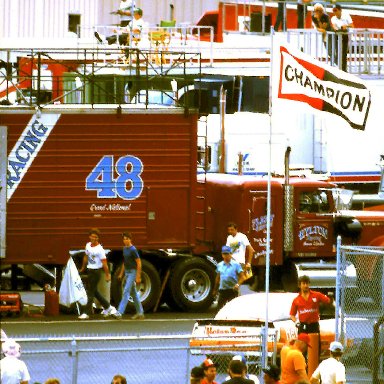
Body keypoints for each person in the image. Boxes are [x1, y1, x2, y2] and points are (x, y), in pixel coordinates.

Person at [78, 228, 119, 320]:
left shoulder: (100, 249)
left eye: (96, 237)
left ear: (98, 238)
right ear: (89, 237)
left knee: (91, 292)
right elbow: (85, 257)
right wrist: (82, 268)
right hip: (90, 270)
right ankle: (109, 307)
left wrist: (108, 274)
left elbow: (104, 263)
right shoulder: (88, 245)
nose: (94, 238)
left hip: (97, 271)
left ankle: (86, 312)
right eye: (92, 236)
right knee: (94, 292)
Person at [115, 231, 145, 320]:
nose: (125, 241)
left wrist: (138, 275)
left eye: (127, 239)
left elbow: (139, 262)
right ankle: (140, 313)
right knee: (134, 293)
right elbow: (125, 262)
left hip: (133, 272)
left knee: (126, 291)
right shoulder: (124, 249)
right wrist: (121, 273)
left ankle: (119, 312)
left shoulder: (133, 249)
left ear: (130, 239)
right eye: (124, 239)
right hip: (127, 272)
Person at [212, 245, 246, 311]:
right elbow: (217, 278)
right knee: (220, 309)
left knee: (233, 309)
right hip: (223, 290)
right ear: (222, 255)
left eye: (228, 253)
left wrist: (238, 285)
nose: (226, 255)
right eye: (224, 254)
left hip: (232, 290)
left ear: (231, 254)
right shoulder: (220, 265)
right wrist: (215, 290)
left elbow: (243, 277)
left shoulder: (236, 264)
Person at [331, 4, 354, 72]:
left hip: (345, 35)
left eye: (336, 10)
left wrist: (346, 26)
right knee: (337, 52)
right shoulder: (333, 18)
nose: (335, 12)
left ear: (340, 10)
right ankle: (339, 68)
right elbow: (334, 26)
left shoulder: (346, 15)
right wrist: (336, 28)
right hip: (337, 36)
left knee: (344, 53)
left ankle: (344, 69)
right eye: (333, 11)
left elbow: (352, 25)